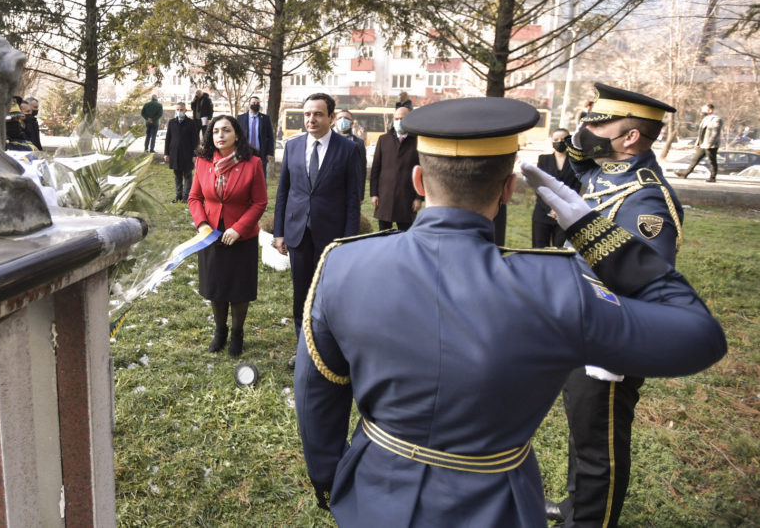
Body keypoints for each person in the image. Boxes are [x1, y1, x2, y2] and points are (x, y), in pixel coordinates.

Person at [294, 96, 726, 527]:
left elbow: (318, 393)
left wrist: (330, 479)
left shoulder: (342, 264)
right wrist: (599, 237)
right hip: (497, 503)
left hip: (375, 493)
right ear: (508, 189)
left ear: (419, 181)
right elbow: (699, 337)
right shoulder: (558, 286)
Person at [550, 83, 684, 527]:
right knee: (582, 430)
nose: (590, 127)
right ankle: (575, 508)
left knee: (600, 446)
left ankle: (591, 521)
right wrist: (577, 144)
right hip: (578, 324)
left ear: (631, 138)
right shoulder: (605, 173)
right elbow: (573, 178)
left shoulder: (646, 199)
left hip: (607, 341)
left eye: (602, 122)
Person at [273, 93, 362, 369]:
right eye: (307, 114)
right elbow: (284, 191)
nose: (311, 119)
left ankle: (328, 349)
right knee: (301, 292)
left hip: (332, 237)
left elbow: (352, 199)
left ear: (331, 118)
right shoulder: (293, 146)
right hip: (298, 233)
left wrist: (346, 241)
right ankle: (304, 350)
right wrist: (279, 232)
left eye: (318, 114)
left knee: (328, 295)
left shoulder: (348, 150)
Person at [188, 115, 268, 357]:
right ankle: (219, 332)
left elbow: (259, 202)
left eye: (226, 130)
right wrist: (202, 224)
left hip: (241, 237)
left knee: (239, 288)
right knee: (216, 286)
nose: (220, 135)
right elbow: (194, 198)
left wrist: (239, 228)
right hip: (211, 234)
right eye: (215, 131)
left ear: (237, 135)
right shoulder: (203, 162)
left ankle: (237, 333)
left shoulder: (252, 163)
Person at [369, 106, 421, 231]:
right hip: (384, 196)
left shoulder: (418, 141)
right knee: (383, 234)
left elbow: (422, 172)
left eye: (402, 119)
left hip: (406, 198)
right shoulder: (384, 140)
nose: (399, 121)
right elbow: (375, 169)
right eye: (396, 118)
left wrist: (418, 198)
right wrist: (374, 193)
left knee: (406, 234)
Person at [531, 128, 580, 248]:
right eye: (556, 139)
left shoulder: (575, 162)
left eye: (563, 139)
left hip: (565, 214)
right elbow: (539, 186)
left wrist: (560, 208)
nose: (559, 142)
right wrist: (550, 208)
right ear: (552, 142)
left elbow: (575, 188)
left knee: (561, 249)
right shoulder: (544, 159)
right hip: (543, 212)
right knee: (539, 249)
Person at [676, 102, 722, 182]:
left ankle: (713, 177)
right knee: (695, 159)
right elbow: (701, 132)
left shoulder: (716, 119)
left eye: (705, 109)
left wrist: (710, 143)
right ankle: (685, 174)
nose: (703, 111)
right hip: (702, 144)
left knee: (712, 161)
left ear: (710, 110)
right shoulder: (706, 119)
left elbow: (715, 133)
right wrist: (698, 143)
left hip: (710, 145)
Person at [164, 101, 199, 203]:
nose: (180, 111)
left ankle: (186, 197)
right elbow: (168, 138)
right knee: (177, 176)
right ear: (176, 110)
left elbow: (195, 140)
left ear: (185, 110)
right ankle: (178, 195)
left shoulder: (191, 123)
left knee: (187, 176)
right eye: (178, 110)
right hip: (175, 154)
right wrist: (166, 153)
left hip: (187, 154)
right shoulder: (172, 122)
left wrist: (194, 154)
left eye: (181, 110)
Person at [238, 96, 275, 178]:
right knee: (245, 177)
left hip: (261, 153)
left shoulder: (265, 118)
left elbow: (270, 136)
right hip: (245, 152)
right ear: (249, 105)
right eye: (253, 103)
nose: (256, 105)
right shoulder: (240, 118)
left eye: (258, 103)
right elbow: (237, 136)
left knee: (261, 177)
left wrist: (270, 152)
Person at [334, 109, 366, 200]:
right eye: (340, 118)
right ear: (335, 122)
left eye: (346, 118)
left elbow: (362, 170)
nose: (343, 120)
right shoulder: (328, 141)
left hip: (351, 192)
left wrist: (360, 195)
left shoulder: (359, 143)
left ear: (352, 123)